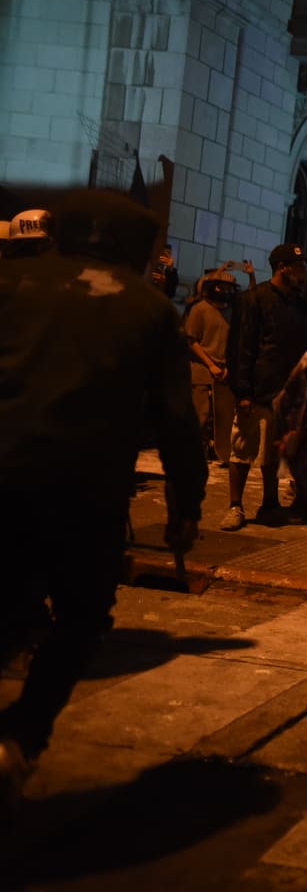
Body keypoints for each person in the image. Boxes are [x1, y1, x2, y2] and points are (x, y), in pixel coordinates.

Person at [0, 189, 207, 815]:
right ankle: (21, 737)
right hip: (80, 491)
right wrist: (185, 505)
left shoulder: (11, 284)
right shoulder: (147, 308)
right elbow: (177, 419)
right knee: (82, 616)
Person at [221, 242, 307, 530]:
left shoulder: (301, 306)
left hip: (286, 395)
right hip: (257, 392)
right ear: (283, 268)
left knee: (272, 454)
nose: (303, 273)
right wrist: (243, 392)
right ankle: (235, 506)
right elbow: (241, 347)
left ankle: (270, 503)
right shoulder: (253, 299)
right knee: (242, 450)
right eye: (300, 268)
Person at [186, 266, 240, 466]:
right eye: (221, 287)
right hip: (201, 368)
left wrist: (227, 366)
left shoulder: (231, 312)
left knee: (222, 417)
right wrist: (210, 364)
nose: (225, 291)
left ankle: (218, 451)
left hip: (224, 370)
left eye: (229, 287)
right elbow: (192, 341)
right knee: (200, 415)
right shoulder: (199, 309)